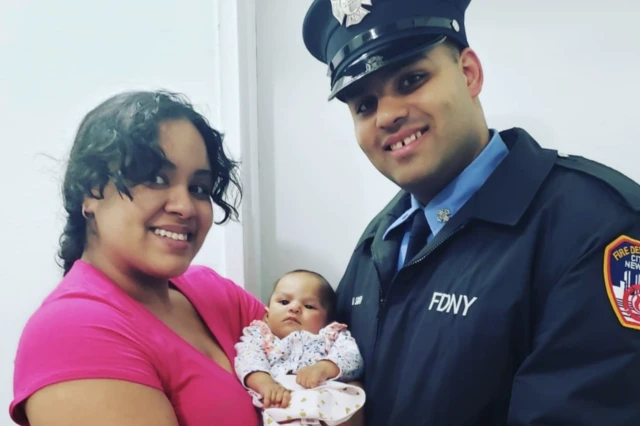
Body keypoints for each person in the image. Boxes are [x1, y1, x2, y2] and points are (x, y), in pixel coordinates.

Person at [302, 0, 640, 425]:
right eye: (364, 106)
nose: (387, 115)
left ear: (469, 73)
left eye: (411, 79)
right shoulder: (379, 242)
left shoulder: (594, 224)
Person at [9, 90, 268, 426]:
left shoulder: (215, 293)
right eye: (156, 179)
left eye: (199, 188)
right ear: (91, 192)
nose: (185, 206)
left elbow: (321, 361)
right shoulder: (72, 333)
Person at [234, 270, 365, 426]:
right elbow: (248, 359)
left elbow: (353, 357)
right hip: (280, 405)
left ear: (327, 321)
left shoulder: (332, 335)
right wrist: (265, 384)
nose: (294, 308)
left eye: (309, 306)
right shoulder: (259, 335)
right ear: (267, 314)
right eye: (284, 302)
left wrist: (324, 367)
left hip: (322, 406)